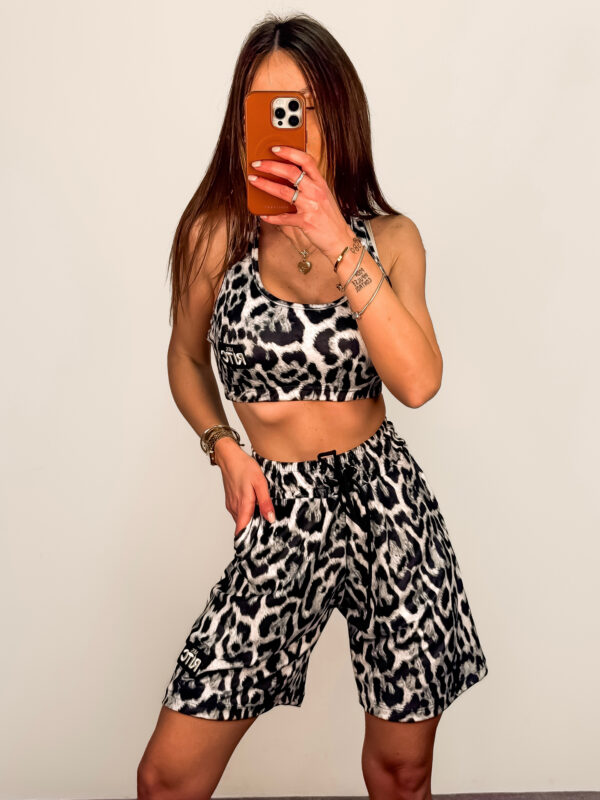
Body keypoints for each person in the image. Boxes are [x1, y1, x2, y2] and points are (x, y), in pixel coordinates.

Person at [137, 11, 488, 800]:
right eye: (269, 109)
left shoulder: (390, 239)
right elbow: (186, 358)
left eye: (306, 107)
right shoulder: (215, 237)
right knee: (167, 778)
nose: (290, 128)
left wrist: (335, 236)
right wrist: (222, 445)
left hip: (387, 507)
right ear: (244, 124)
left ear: (340, 114)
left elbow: (419, 382)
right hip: (280, 507)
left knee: (402, 772)